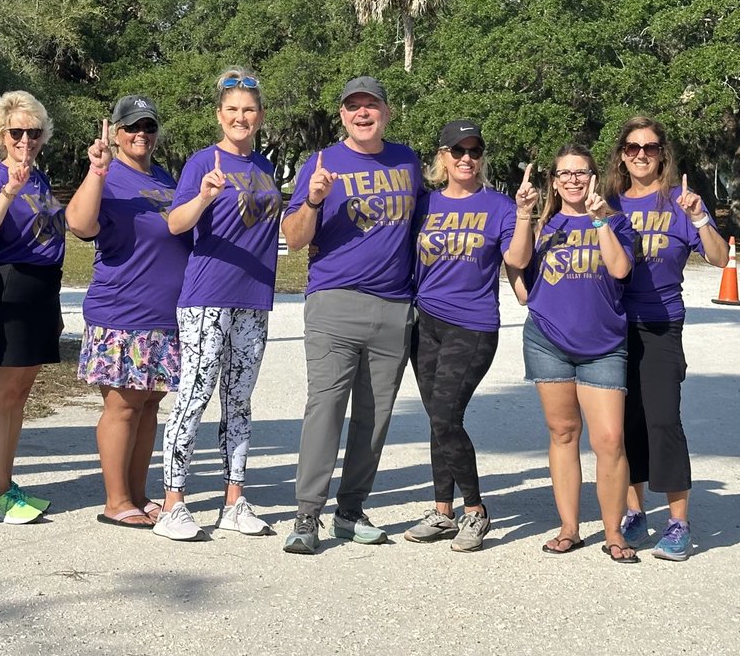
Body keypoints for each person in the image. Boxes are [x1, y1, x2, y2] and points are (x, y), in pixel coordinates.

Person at [280, 76, 422, 555]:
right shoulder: (320, 163)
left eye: (372, 105)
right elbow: (296, 238)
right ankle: (306, 514)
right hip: (334, 301)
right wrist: (315, 198)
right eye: (353, 106)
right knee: (325, 407)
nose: (363, 113)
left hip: (394, 305)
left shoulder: (407, 161)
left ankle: (350, 509)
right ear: (341, 115)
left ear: (387, 111)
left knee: (376, 417)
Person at [152, 68, 282, 542]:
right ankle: (173, 504)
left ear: (260, 116)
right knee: (195, 396)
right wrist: (205, 197)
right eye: (232, 110)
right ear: (219, 115)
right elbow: (175, 224)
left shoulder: (265, 168)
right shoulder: (202, 162)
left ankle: (234, 500)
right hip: (207, 297)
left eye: (249, 110)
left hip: (254, 297)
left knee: (239, 400)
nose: (241, 117)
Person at [404, 121, 538, 552]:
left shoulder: (498, 206)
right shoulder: (423, 204)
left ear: (482, 158)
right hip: (425, 323)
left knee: (446, 414)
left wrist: (522, 215)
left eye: (474, 151)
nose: (466, 159)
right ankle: (443, 512)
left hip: (473, 325)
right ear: (442, 157)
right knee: (437, 419)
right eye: (457, 151)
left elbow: (517, 258)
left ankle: (476, 511)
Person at [603, 116, 727, 561]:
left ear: (662, 154)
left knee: (662, 421)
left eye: (650, 147)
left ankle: (678, 522)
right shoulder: (610, 205)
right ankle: (635, 511)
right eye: (633, 147)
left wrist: (698, 218)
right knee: (624, 425)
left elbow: (718, 258)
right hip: (612, 327)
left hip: (660, 326)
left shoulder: (681, 201)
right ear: (622, 154)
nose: (641, 154)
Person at [65, 96, 191, 529]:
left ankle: (138, 494)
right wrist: (96, 170)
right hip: (122, 312)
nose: (142, 134)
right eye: (132, 127)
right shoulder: (109, 175)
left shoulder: (163, 177)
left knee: (150, 405)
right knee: (122, 405)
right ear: (115, 133)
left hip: (165, 313)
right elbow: (80, 224)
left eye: (149, 126)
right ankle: (116, 500)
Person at [516, 144, 639, 563]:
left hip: (604, 344)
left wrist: (599, 219)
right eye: (565, 173)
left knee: (609, 439)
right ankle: (569, 527)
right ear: (554, 180)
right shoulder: (544, 226)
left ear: (594, 177)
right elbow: (518, 271)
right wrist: (524, 215)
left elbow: (620, 269)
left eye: (581, 172)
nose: (573, 179)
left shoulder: (617, 221)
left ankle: (614, 532)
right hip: (548, 339)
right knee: (564, 433)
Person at [0, 90, 65, 525]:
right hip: (6, 284)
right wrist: (8, 191)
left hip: (40, 289)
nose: (25, 139)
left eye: (33, 132)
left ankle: (7, 483)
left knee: (21, 393)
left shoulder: (40, 179)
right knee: (3, 392)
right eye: (16, 132)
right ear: (1, 136)